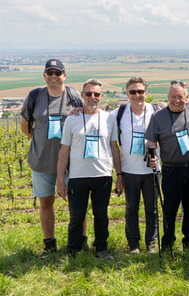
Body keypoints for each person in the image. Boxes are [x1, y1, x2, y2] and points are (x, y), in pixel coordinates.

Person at [20, 59, 88, 258]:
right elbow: (25, 125)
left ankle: (79, 241)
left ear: (64, 76)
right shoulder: (35, 96)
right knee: (45, 203)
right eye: (49, 72)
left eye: (57, 73)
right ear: (44, 76)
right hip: (42, 162)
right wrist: (39, 139)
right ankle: (49, 244)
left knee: (77, 204)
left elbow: (85, 117)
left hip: (71, 163)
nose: (53, 76)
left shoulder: (73, 96)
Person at [56, 79, 122, 260]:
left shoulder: (109, 119)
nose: (92, 97)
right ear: (82, 95)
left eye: (96, 94)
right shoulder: (72, 119)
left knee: (101, 215)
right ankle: (74, 250)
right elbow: (64, 151)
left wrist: (120, 175)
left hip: (103, 175)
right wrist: (60, 179)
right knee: (76, 216)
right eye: (88, 94)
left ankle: (101, 248)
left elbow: (114, 147)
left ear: (101, 96)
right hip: (78, 176)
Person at [145, 80, 189, 252]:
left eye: (180, 96)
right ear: (168, 97)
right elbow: (151, 142)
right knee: (170, 209)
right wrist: (152, 157)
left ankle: (188, 242)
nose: (176, 100)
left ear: (187, 97)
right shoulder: (158, 116)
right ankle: (168, 243)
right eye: (173, 97)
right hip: (171, 170)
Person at [110, 77, 159, 254]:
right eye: (132, 92)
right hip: (129, 171)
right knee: (131, 208)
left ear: (146, 93)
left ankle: (151, 243)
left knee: (151, 209)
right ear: (127, 93)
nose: (137, 95)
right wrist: (119, 174)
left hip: (151, 170)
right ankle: (133, 244)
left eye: (140, 91)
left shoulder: (156, 111)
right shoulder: (118, 114)